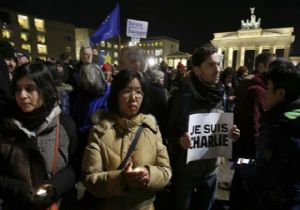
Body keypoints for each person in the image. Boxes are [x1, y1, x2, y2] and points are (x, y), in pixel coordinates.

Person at [81, 69, 172, 210]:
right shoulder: (100, 132)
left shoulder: (152, 129)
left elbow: (166, 172)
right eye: (126, 91)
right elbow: (90, 179)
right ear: (116, 95)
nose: (133, 97)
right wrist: (121, 180)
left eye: (138, 92)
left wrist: (149, 175)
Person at [168, 43, 240, 210]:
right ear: (197, 69)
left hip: (211, 172)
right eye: (210, 65)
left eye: (218, 64)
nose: (217, 69)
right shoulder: (181, 97)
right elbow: (168, 131)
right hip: (185, 172)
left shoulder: (222, 95)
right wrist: (180, 140)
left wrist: (232, 134)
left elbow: (226, 128)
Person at [0, 62, 79, 210]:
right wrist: (20, 190)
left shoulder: (65, 124)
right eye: (17, 90)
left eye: (30, 88)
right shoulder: (6, 128)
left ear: (44, 89)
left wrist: (54, 187)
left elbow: (77, 165)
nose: (22, 95)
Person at [230, 62, 300, 210]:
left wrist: (237, 162)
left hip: (276, 199)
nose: (265, 92)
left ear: (280, 93)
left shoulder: (279, 127)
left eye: (268, 88)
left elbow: (261, 169)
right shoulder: (293, 115)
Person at [234, 52, 276, 159]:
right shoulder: (258, 87)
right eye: (272, 65)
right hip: (252, 145)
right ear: (262, 65)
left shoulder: (248, 79)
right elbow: (255, 120)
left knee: (241, 169)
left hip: (242, 139)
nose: (275, 69)